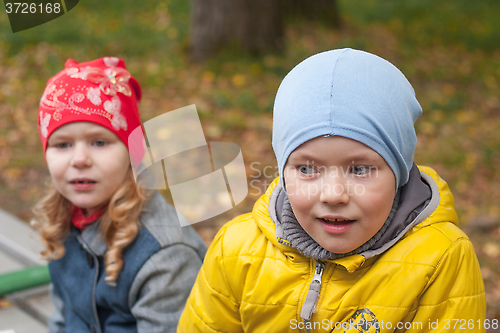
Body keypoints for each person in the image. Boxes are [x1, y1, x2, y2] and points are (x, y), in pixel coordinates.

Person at [178, 48, 486, 332]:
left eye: (360, 169)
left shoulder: (441, 258)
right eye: (307, 169)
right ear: (284, 172)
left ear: (399, 172)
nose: (334, 194)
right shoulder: (236, 250)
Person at [31, 57, 207, 333]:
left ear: (132, 154)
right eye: (62, 144)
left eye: (99, 142)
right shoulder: (62, 219)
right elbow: (65, 318)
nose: (79, 159)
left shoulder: (166, 255)